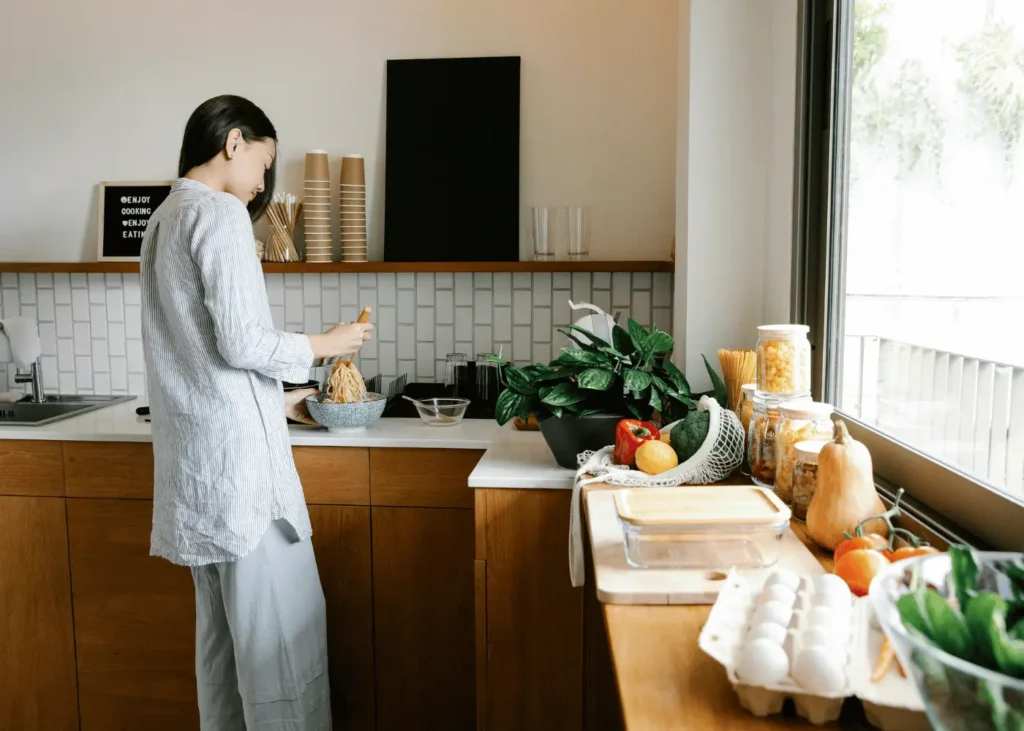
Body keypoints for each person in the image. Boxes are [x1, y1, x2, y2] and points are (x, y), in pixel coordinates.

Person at [139, 94, 371, 731]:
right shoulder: (218, 214)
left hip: (200, 469)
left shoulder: (164, 217)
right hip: (242, 477)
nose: (263, 185)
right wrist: (328, 345)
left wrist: (280, 397)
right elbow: (242, 342)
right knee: (280, 648)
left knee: (223, 651)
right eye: (264, 167)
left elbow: (202, 353)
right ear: (233, 142)